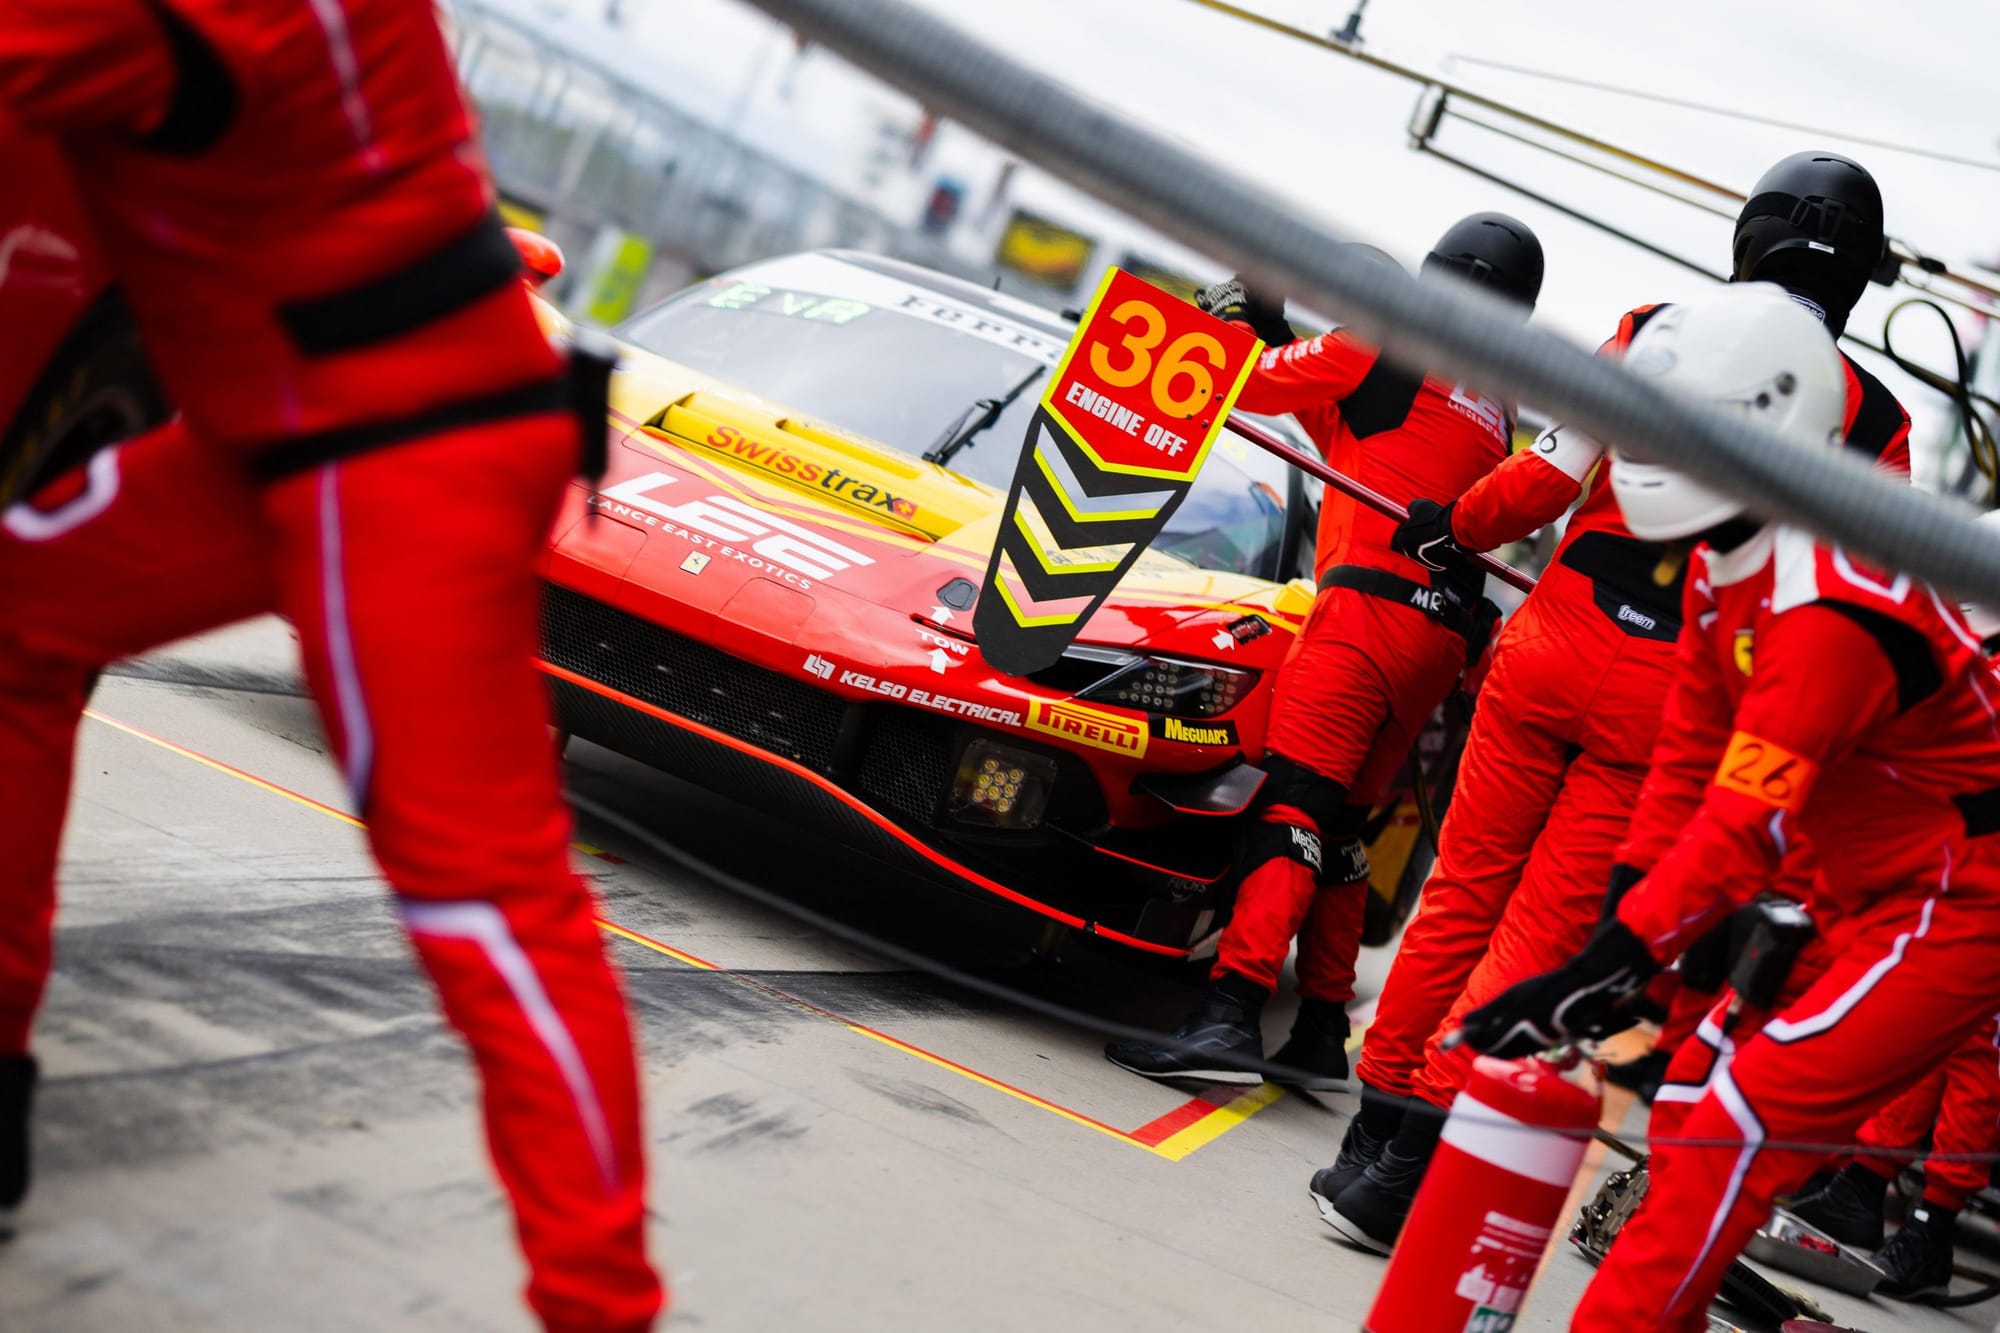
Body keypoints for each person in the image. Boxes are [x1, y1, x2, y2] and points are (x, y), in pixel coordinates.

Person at [0, 4, 663, 1329]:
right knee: (19, 614)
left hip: (396, 459)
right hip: (296, 428)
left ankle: (602, 1310)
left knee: (487, 904)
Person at [1313, 150, 1911, 1252]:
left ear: (1750, 229)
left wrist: (1452, 525)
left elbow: (1540, 476)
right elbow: (1856, 590)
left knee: (1456, 893)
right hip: (1673, 695)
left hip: (1552, 641)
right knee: (1539, 934)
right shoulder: (1874, 420)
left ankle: (1373, 1128)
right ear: (1863, 273)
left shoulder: (1656, 327)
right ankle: (1405, 1167)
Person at [1456, 287, 2000, 1333]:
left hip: (1953, 907)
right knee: (1679, 1108)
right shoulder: (1721, 566)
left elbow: (1739, 819)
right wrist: (1623, 941)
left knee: (1732, 1133)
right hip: (1841, 886)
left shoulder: (1828, 608)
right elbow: (1682, 771)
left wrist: (1602, 964)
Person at [1103, 214, 1543, 1088]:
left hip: (1364, 618)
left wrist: (1227, 320)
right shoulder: (1495, 400)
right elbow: (1329, 416)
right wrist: (1264, 324)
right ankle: (1318, 1024)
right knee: (1341, 826)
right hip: (1434, 637)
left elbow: (1245, 384)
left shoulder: (1386, 337)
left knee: (1293, 805)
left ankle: (1229, 1011)